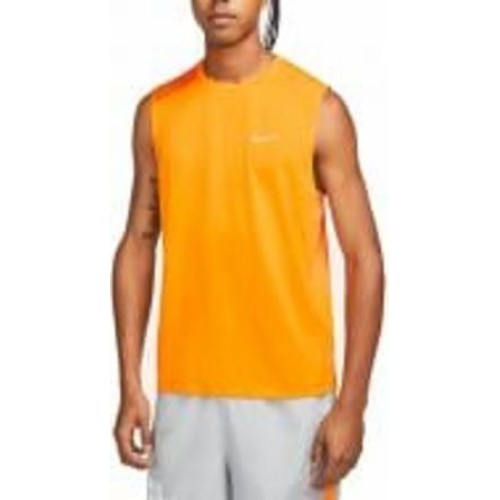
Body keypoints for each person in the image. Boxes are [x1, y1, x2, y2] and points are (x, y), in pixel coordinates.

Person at [112, 1, 385, 498]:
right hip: (186, 394)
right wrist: (130, 382)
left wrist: (352, 405)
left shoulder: (318, 110)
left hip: (291, 396)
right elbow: (138, 241)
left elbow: (364, 258)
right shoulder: (158, 113)